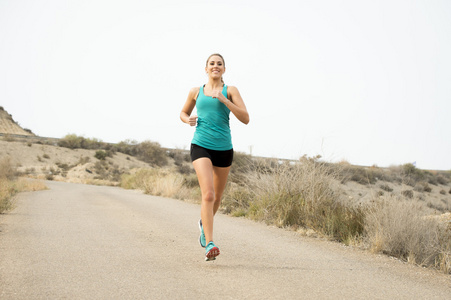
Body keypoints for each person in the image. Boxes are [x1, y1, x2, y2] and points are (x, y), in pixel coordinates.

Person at [180, 53, 249, 261]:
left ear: (224, 70)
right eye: (212, 63)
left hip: (224, 148)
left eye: (219, 64)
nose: (215, 66)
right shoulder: (195, 91)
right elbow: (183, 113)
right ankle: (209, 243)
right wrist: (187, 120)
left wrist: (224, 99)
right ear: (206, 68)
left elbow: (245, 118)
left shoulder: (231, 90)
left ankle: (203, 223)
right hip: (201, 145)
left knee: (217, 198)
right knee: (208, 195)